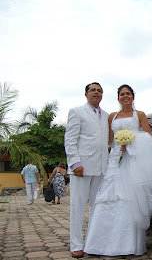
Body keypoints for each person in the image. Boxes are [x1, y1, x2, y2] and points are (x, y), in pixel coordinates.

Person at [84, 84, 152, 256]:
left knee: (130, 198)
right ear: (118, 98)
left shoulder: (139, 115)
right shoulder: (112, 116)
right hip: (115, 160)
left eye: (128, 94)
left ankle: (128, 245)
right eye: (121, 94)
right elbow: (110, 141)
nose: (125, 96)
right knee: (108, 197)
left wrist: (132, 144)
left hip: (133, 160)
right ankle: (100, 244)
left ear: (133, 97)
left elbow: (149, 139)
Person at [64, 82, 109, 258]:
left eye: (99, 91)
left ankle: (92, 242)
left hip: (101, 168)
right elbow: (70, 139)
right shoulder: (76, 112)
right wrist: (75, 163)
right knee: (78, 206)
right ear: (86, 94)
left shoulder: (105, 115)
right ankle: (76, 244)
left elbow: (107, 141)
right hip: (81, 168)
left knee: (97, 208)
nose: (96, 93)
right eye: (93, 90)